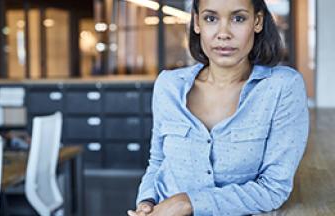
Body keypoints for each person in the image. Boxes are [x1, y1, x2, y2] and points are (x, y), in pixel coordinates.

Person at [127, 0, 309, 215]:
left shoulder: (282, 87)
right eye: (211, 18)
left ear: (257, 21)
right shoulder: (169, 85)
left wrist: (188, 203)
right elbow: (158, 161)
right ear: (197, 22)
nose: (223, 33)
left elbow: (273, 189)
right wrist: (146, 202)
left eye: (238, 18)